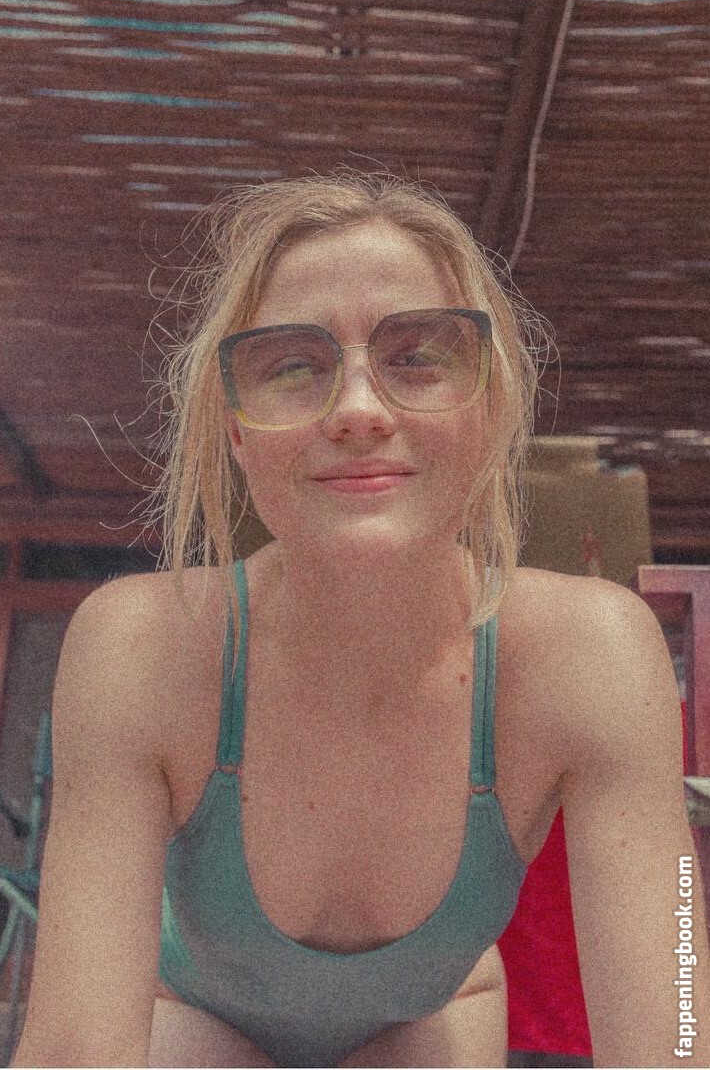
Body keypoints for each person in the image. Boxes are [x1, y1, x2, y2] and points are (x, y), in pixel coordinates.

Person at [12, 172, 709, 1069]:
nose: (357, 411)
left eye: (416, 358)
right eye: (292, 367)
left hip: (429, 1020)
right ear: (236, 432)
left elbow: (677, 1036)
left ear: (490, 408)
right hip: (182, 1012)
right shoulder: (142, 646)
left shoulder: (596, 654)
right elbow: (73, 1052)